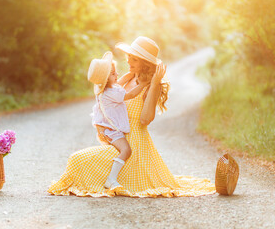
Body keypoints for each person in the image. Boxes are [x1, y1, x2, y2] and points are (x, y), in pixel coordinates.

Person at [48, 36, 215, 197]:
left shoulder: (151, 86)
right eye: (129, 57)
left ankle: (111, 179)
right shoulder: (127, 78)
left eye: (134, 60)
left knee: (78, 160)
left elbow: (145, 120)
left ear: (145, 64)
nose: (128, 61)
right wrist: (103, 127)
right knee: (76, 159)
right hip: (119, 138)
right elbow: (105, 98)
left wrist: (155, 84)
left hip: (134, 146)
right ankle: (107, 179)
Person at [88, 51, 149, 189]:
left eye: (115, 73)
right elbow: (130, 94)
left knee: (124, 150)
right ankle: (111, 179)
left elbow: (121, 81)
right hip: (113, 131)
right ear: (105, 79)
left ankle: (111, 177)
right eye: (113, 74)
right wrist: (143, 84)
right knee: (126, 150)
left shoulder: (106, 90)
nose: (117, 76)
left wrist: (132, 74)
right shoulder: (112, 94)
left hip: (108, 129)